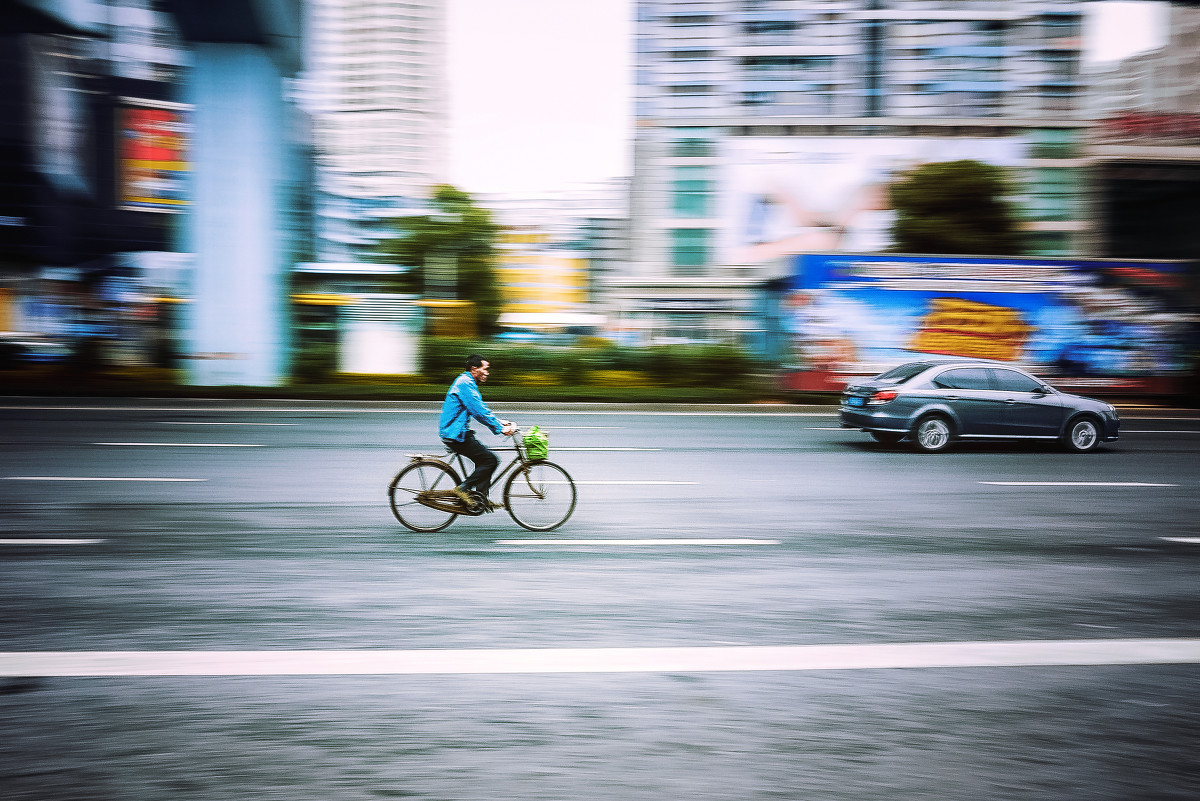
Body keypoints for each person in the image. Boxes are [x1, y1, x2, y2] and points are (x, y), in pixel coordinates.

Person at [439, 354, 516, 510]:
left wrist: (499, 421)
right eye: (485, 369)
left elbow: (480, 409)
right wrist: (500, 428)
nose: (487, 373)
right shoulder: (465, 384)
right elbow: (478, 411)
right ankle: (462, 489)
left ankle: (481, 498)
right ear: (474, 369)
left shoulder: (467, 382)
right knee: (490, 460)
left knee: (484, 460)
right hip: (455, 435)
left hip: (457, 432)